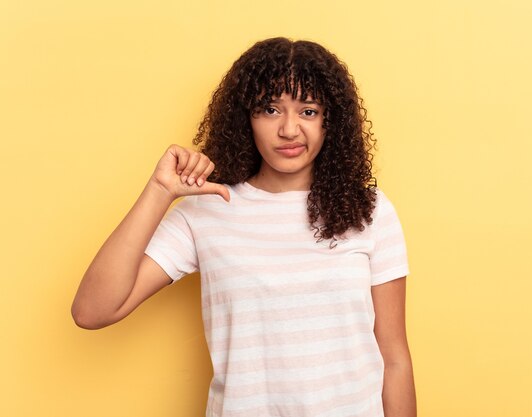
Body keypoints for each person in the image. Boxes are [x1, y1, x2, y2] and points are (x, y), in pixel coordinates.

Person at [72, 37, 417, 417]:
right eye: (270, 109)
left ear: (330, 121)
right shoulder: (208, 210)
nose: (289, 129)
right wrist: (158, 192)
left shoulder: (368, 210)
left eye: (308, 111)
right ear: (245, 118)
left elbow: (394, 357)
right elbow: (92, 311)